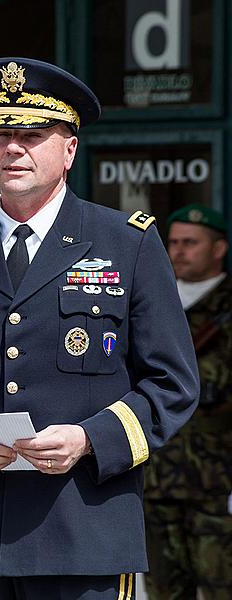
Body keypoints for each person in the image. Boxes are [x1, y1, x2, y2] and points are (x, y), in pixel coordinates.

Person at [0, 57, 199, 600]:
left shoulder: (126, 243)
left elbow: (173, 385)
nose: (13, 148)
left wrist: (88, 439)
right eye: (2, 134)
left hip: (82, 534)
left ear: (69, 149)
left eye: (33, 134)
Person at [144, 203, 232, 600]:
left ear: (218, 249)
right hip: (156, 480)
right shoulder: (150, 300)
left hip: (218, 485)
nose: (178, 251)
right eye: (173, 242)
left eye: (190, 243)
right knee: (163, 590)